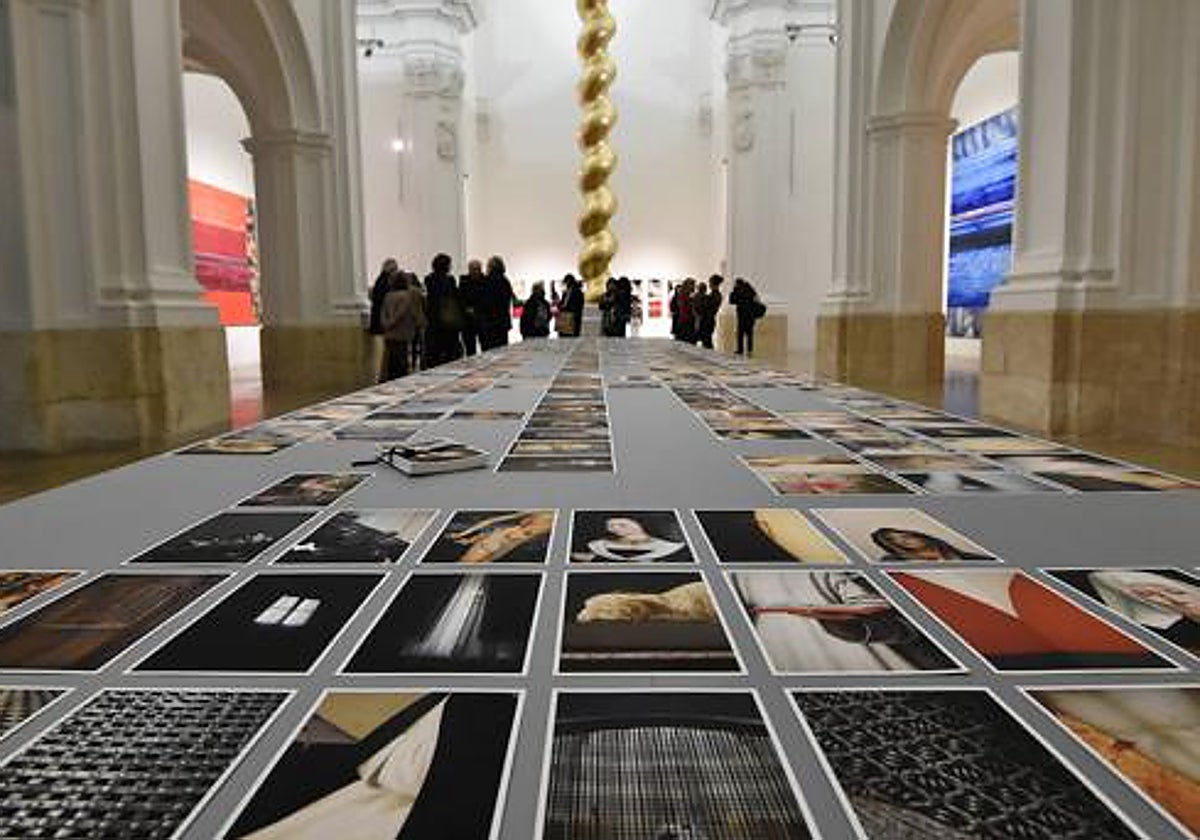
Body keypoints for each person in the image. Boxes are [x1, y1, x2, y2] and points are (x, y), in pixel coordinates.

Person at [379, 272, 426, 381]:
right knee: (401, 359)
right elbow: (401, 312)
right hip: (402, 331)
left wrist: (385, 323)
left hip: (389, 331)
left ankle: (389, 378)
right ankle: (400, 379)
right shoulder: (406, 295)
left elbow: (383, 311)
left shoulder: (388, 295)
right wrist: (392, 322)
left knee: (390, 358)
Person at [423, 253, 464, 367]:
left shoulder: (429, 280)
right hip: (448, 320)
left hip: (434, 320)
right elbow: (455, 298)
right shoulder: (450, 280)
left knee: (435, 353)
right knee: (449, 352)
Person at [869, 527, 992, 562]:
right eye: (893, 540)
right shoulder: (893, 562)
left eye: (903, 535)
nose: (903, 539)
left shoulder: (960, 555)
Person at [479, 255, 516, 350]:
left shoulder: (487, 281)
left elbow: (485, 302)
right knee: (501, 350)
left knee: (489, 351)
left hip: (490, 323)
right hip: (502, 322)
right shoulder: (505, 282)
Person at [729, 277, 763, 356]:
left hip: (742, 315)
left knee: (740, 333)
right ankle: (749, 350)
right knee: (749, 333)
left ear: (737, 284)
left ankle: (740, 350)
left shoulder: (738, 291)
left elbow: (731, 301)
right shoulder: (750, 290)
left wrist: (734, 291)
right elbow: (756, 299)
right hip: (751, 316)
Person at [459, 259, 486, 356]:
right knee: (470, 349)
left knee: (485, 347)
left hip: (482, 319)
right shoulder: (464, 281)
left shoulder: (486, 281)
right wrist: (466, 308)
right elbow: (461, 299)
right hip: (468, 321)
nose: (476, 271)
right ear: (469, 270)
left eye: (477, 269)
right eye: (473, 269)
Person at [368, 258, 398, 337]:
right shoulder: (384, 281)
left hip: (380, 316)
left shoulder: (381, 280)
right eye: (395, 269)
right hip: (382, 317)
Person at [696, 274, 723, 349]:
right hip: (708, 320)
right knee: (706, 341)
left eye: (710, 283)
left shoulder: (715, 295)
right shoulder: (713, 295)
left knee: (707, 342)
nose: (709, 284)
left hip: (708, 320)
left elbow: (707, 307)